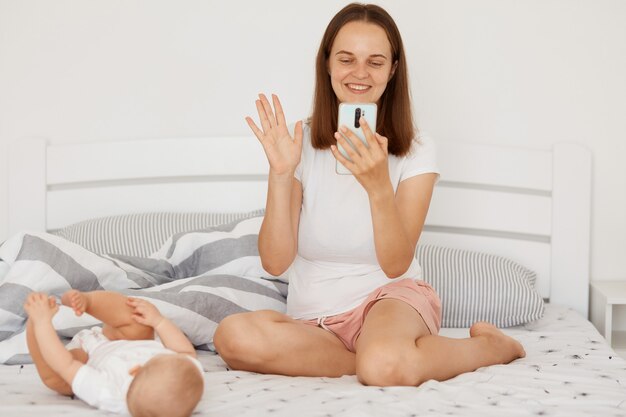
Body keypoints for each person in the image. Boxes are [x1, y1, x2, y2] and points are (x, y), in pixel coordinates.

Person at [213, 3, 525, 387]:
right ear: (327, 63)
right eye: (346, 59)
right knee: (232, 336)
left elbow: (396, 264)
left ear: (393, 69)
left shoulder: (417, 149)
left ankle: (491, 347)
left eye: (375, 62)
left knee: (383, 365)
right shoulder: (298, 143)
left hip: (390, 300)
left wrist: (378, 186)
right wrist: (280, 174)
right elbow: (275, 263)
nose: (359, 73)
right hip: (315, 322)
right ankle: (372, 360)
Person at [24, 290, 204, 416]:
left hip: (87, 356)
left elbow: (65, 365)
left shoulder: (108, 393)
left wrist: (43, 324)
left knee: (59, 379)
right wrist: (159, 321)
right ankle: (89, 301)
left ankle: (36, 323)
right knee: (139, 321)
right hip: (122, 338)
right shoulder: (188, 374)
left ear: (135, 371)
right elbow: (184, 351)